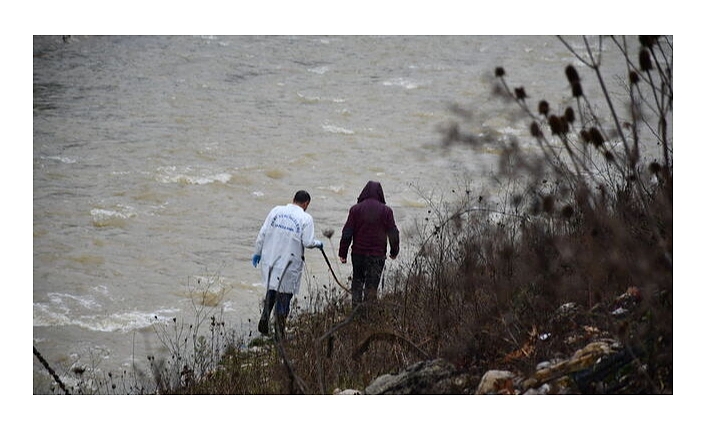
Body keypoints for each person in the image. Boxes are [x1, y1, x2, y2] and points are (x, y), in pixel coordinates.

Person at [252, 190, 323, 339]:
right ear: (306, 204)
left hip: (271, 260)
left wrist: (257, 252)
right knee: (284, 296)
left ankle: (264, 322)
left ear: (293, 199)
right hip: (289, 264)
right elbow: (308, 242)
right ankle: (279, 333)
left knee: (272, 290)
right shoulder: (306, 218)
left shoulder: (276, 211)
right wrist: (318, 243)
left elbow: (262, 234)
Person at [338, 181, 399, 309]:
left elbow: (347, 232)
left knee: (357, 283)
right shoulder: (387, 211)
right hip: (377, 256)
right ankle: (368, 317)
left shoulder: (355, 209)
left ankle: (356, 314)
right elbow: (393, 233)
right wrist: (394, 251)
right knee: (372, 288)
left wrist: (342, 253)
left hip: (358, 254)